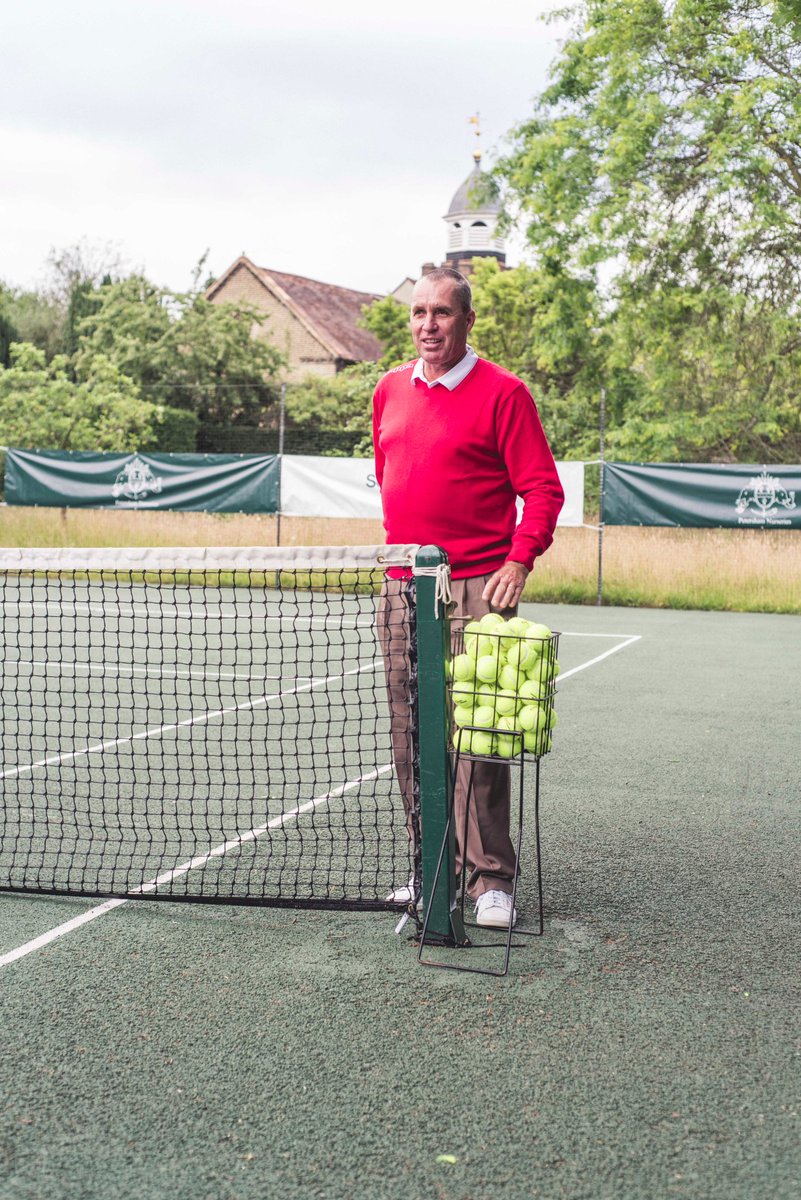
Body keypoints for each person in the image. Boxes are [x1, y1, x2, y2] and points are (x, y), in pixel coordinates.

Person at [373, 267, 564, 929]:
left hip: (479, 587)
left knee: (477, 740)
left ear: (466, 321)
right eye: (418, 312)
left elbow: (542, 490)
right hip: (403, 588)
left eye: (442, 314)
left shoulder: (505, 394)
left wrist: (518, 559)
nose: (428, 325)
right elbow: (389, 475)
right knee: (411, 736)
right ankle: (429, 867)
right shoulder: (388, 389)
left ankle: (489, 882)